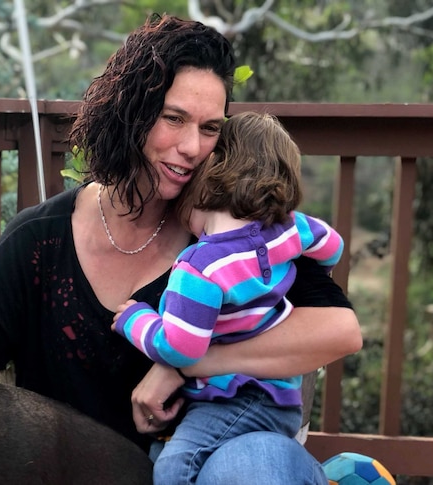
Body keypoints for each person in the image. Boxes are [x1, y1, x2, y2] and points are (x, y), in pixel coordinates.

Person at [0, 13, 362, 484]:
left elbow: (339, 331)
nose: (191, 146)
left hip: (226, 463)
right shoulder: (38, 241)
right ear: (130, 112)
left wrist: (186, 363)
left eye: (210, 128)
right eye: (173, 118)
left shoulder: (232, 234)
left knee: (245, 466)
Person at [111, 111, 345, 484]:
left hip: (237, 399)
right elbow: (332, 246)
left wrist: (135, 320)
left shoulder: (200, 266)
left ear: (209, 175)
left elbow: (182, 349)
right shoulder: (286, 229)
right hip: (281, 398)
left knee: (173, 467)